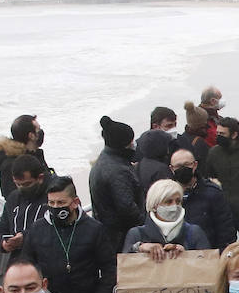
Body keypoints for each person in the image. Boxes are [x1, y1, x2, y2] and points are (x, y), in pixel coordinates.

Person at [21, 176, 116, 293]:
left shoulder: (94, 229)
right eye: (51, 203)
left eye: (61, 203)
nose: (56, 207)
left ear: (75, 202)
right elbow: (26, 265)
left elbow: (110, 268)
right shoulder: (37, 230)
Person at [87, 115, 143, 255]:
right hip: (120, 239)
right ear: (123, 145)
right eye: (131, 142)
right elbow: (127, 208)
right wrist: (147, 225)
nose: (134, 145)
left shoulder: (102, 162)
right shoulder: (118, 171)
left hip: (107, 235)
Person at [170, 148, 237, 250]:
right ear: (171, 168)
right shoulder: (166, 195)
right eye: (178, 166)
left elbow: (225, 229)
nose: (183, 169)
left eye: (187, 164)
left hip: (207, 255)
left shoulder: (213, 193)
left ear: (195, 165)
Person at [124, 179, 209, 256]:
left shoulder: (194, 233)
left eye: (178, 201)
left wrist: (186, 255)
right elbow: (124, 266)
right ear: (154, 205)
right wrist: (139, 248)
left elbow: (208, 266)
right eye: (168, 202)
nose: (174, 206)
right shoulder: (136, 234)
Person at [0, 155, 50, 262]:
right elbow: (1, 229)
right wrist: (4, 243)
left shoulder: (52, 197)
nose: (22, 188)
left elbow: (51, 229)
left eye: (27, 184)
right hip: (17, 261)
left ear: (40, 178)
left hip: (44, 261)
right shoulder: (13, 198)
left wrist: (25, 238)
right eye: (18, 184)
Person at [0, 114, 46, 200]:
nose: (41, 132)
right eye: (38, 129)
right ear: (31, 136)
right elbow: (12, 198)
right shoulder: (11, 164)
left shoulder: (35, 154)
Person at [135, 107, 183, 192]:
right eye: (169, 126)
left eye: (175, 125)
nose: (173, 129)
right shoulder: (139, 147)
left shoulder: (179, 141)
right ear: (155, 126)